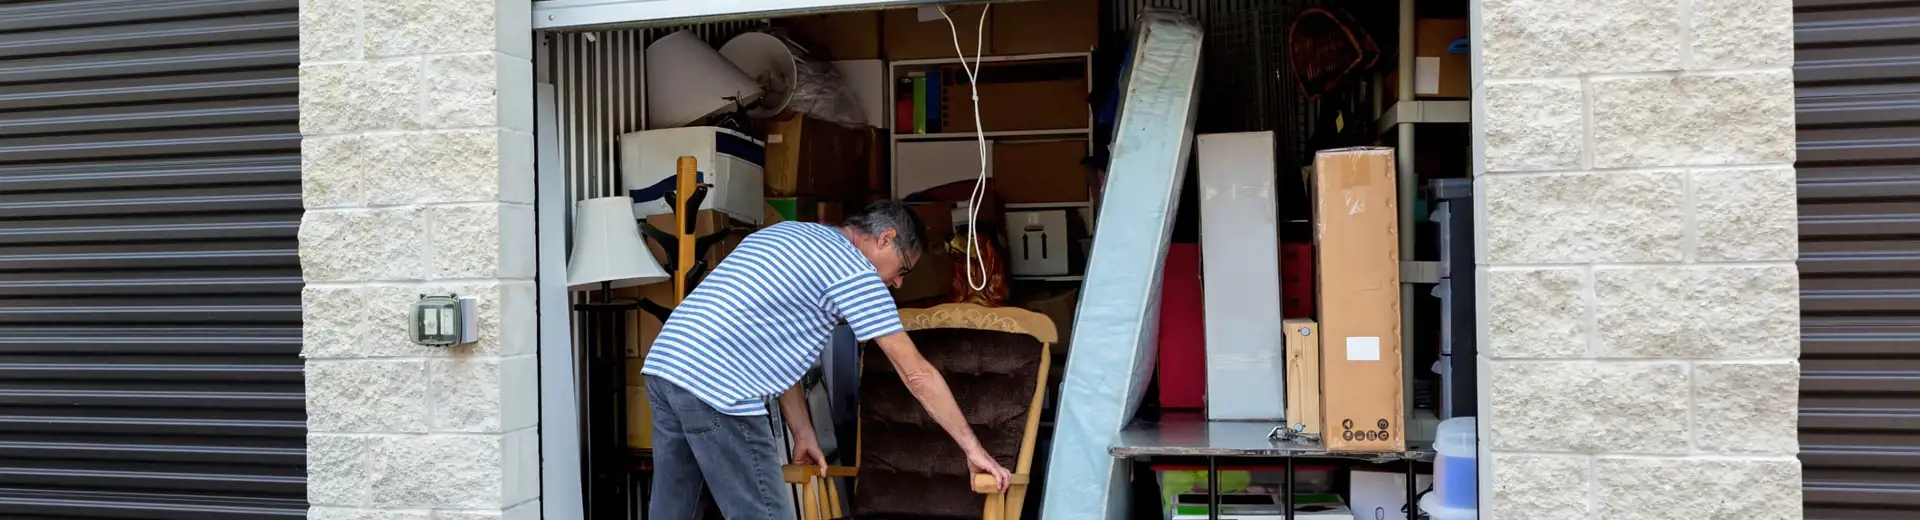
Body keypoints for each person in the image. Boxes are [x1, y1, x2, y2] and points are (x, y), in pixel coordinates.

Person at [641, 200, 1013, 520]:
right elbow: (916, 373)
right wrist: (973, 449)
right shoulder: (855, 272)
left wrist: (803, 431)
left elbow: (770, 347)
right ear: (886, 239)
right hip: (718, 385)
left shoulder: (789, 234)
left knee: (675, 510)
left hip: (667, 365)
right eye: (904, 269)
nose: (899, 283)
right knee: (763, 513)